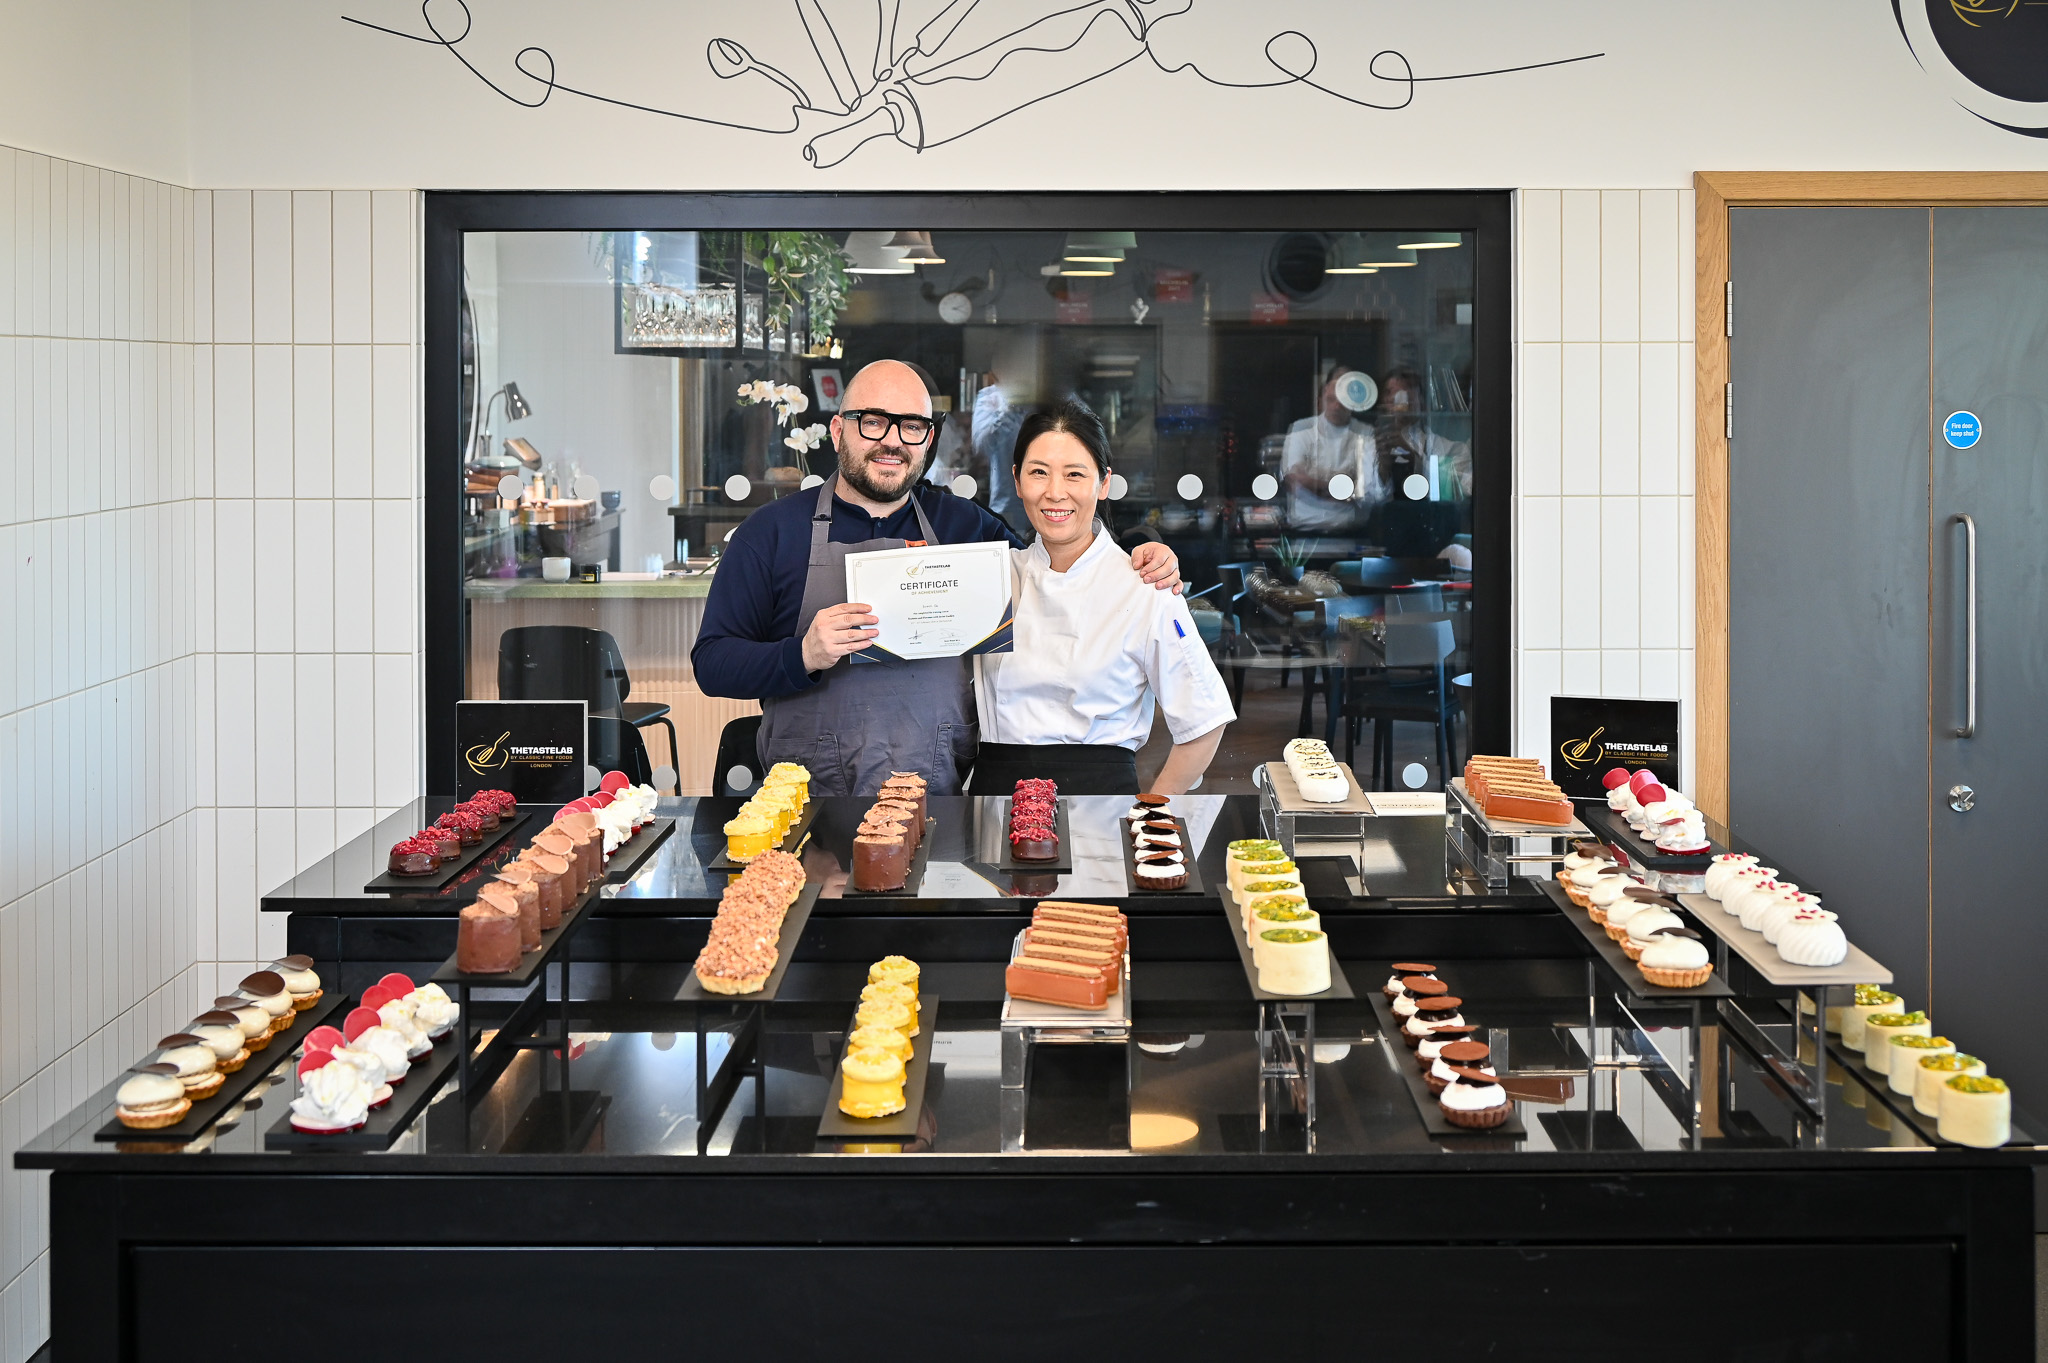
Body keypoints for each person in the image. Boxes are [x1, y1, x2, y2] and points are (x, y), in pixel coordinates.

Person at [692, 360, 1185, 796]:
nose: (892, 441)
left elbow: (1056, 560)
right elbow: (712, 664)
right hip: (809, 808)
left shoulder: (965, 527)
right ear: (839, 430)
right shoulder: (772, 532)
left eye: (911, 426)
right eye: (873, 422)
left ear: (928, 440)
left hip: (938, 803)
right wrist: (802, 654)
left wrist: (1140, 552)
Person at [973, 399, 1235, 796]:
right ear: (1017, 480)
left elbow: (1204, 721)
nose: (1055, 493)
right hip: (997, 798)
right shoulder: (992, 578)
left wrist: (1152, 810)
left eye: (1075, 474)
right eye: (1039, 472)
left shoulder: (1145, 587)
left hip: (1100, 802)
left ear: (1104, 482)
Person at [1280, 365, 1382, 532]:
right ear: (1325, 391)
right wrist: (1345, 488)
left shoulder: (1366, 433)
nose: (1336, 406)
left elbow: (1367, 491)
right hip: (1305, 533)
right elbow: (1296, 481)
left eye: (1343, 398)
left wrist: (1315, 484)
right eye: (1332, 398)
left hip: (1353, 533)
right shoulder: (1301, 428)